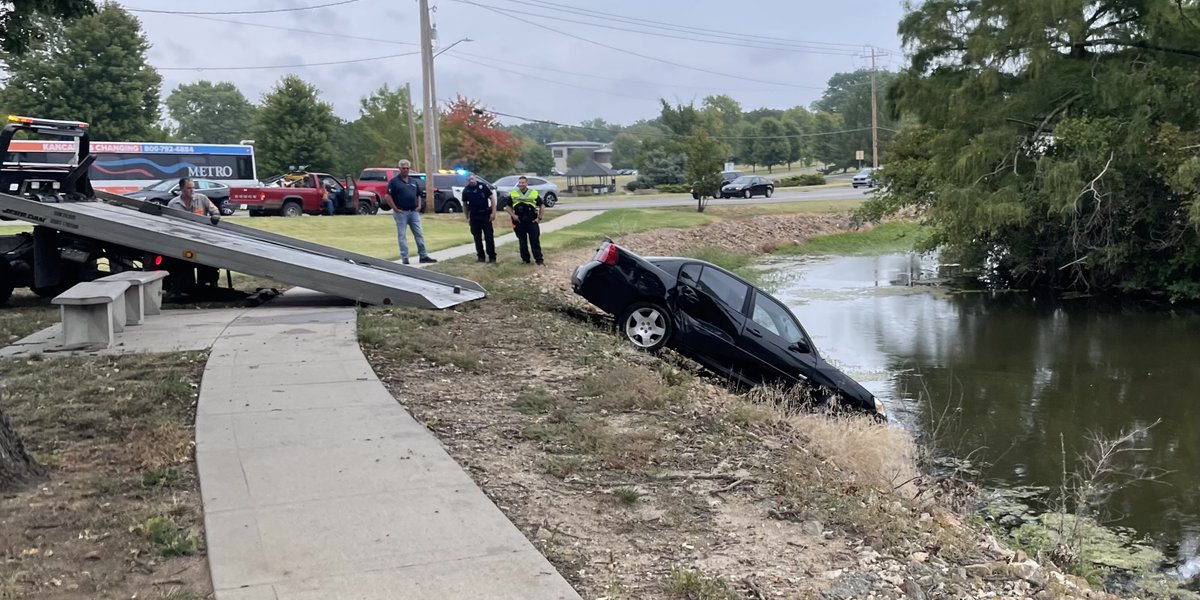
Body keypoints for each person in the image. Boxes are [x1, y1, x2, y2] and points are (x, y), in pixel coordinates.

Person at [165, 177, 221, 291]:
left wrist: (215, 216)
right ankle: (185, 288)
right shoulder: (173, 204)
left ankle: (206, 288)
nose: (192, 190)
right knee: (183, 266)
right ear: (182, 189)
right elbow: (169, 224)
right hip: (183, 241)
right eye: (189, 188)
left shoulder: (202, 199)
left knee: (206, 265)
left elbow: (215, 210)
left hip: (202, 239)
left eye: (193, 188)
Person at [384, 159, 437, 265]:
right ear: (399, 169)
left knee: (419, 234)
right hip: (401, 212)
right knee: (402, 235)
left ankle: (423, 256)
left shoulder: (413, 181)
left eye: (407, 168)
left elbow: (418, 194)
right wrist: (395, 208)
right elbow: (387, 196)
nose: (406, 170)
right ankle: (405, 257)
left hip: (414, 212)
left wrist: (419, 205)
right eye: (403, 168)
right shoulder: (394, 182)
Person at [504, 176, 544, 265]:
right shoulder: (514, 193)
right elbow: (507, 206)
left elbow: (542, 205)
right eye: (520, 183)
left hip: (532, 220)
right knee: (522, 242)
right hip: (519, 221)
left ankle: (539, 260)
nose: (521, 184)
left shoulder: (533, 193)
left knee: (535, 241)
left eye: (523, 182)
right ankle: (525, 260)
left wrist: (539, 218)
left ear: (526, 183)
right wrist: (513, 215)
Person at [461, 174, 496, 263]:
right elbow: (465, 205)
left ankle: (492, 257)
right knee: (477, 237)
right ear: (467, 181)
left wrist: (493, 212)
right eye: (469, 180)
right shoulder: (466, 190)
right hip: (474, 216)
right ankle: (481, 257)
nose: (471, 181)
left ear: (475, 178)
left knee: (489, 236)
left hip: (485, 215)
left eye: (472, 179)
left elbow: (492, 198)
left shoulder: (483, 187)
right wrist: (467, 217)